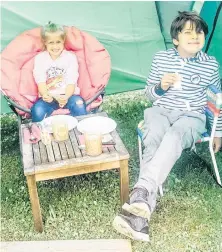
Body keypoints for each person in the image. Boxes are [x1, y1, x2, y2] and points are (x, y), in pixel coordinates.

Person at [113, 11, 222, 242]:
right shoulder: (161, 59)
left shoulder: (210, 64)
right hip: (161, 110)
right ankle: (139, 217)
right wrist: (161, 86)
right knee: (153, 138)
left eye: (200, 32)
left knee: (173, 135)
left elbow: (217, 99)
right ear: (176, 39)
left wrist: (218, 131)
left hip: (191, 116)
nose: (195, 37)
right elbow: (150, 94)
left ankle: (140, 193)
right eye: (188, 32)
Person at [31, 22, 87, 122]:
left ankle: (81, 133)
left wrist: (66, 96)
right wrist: (45, 94)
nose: (55, 46)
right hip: (49, 97)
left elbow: (71, 80)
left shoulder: (70, 57)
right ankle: (40, 135)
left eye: (58, 42)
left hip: (69, 95)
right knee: (37, 110)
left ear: (63, 41)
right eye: (51, 43)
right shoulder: (40, 58)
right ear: (45, 42)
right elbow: (40, 80)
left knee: (79, 104)